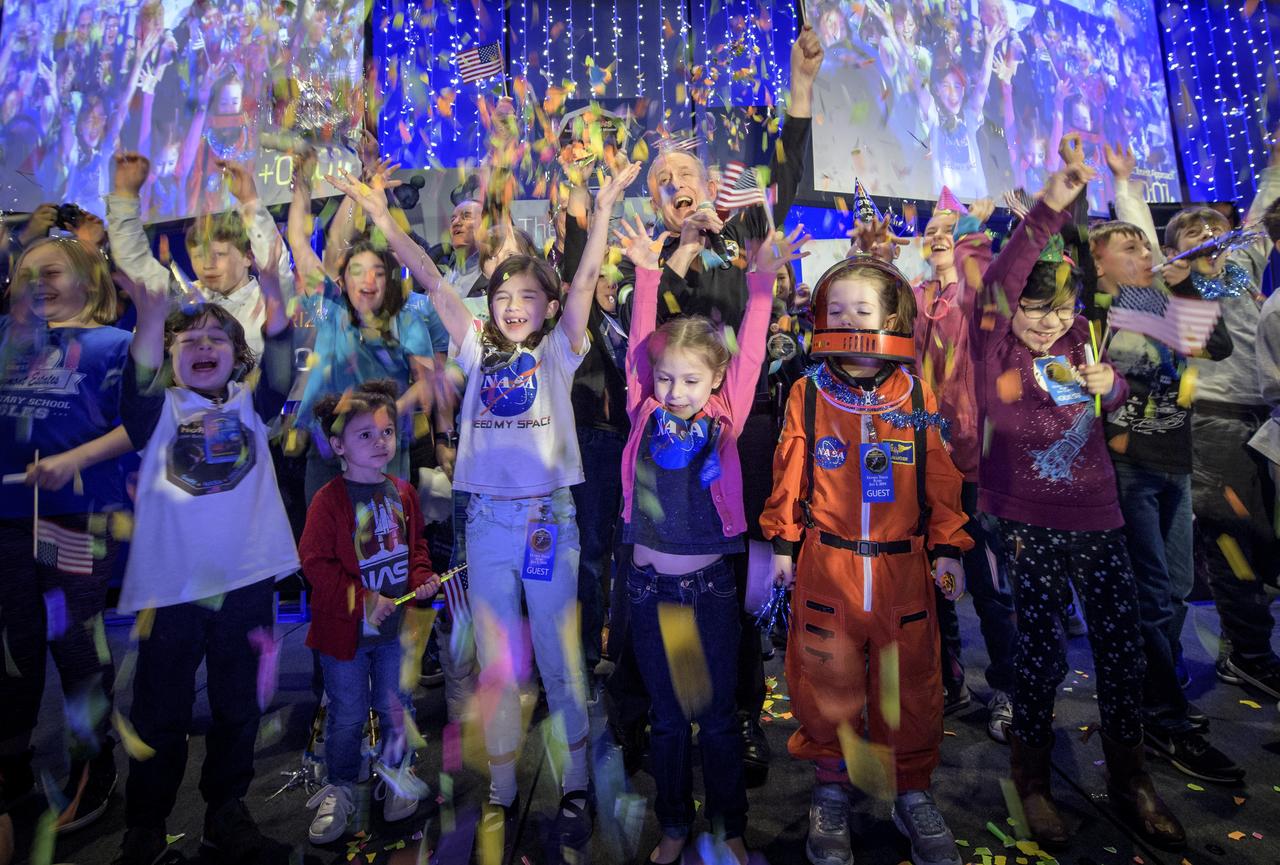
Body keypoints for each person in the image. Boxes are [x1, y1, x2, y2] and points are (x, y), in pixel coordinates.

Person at [323, 158, 639, 859]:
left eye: (529, 294)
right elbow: (432, 278)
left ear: (550, 305)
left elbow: (585, 277)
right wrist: (379, 214)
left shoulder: (561, 349)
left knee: (560, 662)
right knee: (499, 664)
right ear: (490, 304)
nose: (515, 304)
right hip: (489, 524)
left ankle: (577, 786)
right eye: (504, 294)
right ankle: (499, 788)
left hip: (548, 522)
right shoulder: (474, 344)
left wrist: (608, 201)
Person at [970, 154, 1183, 851]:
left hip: (1098, 518)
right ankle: (1032, 782)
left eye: (1055, 307)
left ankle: (1132, 778)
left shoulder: (1087, 335)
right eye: (1032, 308)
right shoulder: (996, 341)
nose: (1042, 321)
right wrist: (1049, 207)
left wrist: (1111, 384)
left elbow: (1119, 392)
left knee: (1123, 654)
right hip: (1025, 520)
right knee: (1038, 655)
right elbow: (1006, 280)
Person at [761, 252, 971, 865]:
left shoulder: (919, 395)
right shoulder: (806, 394)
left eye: (863, 309)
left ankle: (911, 791)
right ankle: (830, 788)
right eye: (837, 309)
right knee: (826, 680)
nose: (849, 319)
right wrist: (781, 547)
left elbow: (940, 474)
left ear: (892, 316)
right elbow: (788, 475)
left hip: (903, 568)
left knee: (911, 683)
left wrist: (950, 546)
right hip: (828, 565)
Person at [616, 216, 806, 864]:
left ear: (716, 382)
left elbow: (751, 349)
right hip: (652, 592)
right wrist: (647, 271)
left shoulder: (727, 413)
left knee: (719, 717)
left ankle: (728, 823)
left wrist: (763, 281)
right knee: (667, 719)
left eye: (690, 380)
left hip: (707, 590)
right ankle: (673, 823)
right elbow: (643, 345)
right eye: (667, 378)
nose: (675, 390)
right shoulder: (644, 405)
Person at [111, 240, 299, 865]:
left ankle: (225, 814)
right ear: (168, 357)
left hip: (244, 585)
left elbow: (277, 360)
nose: (204, 348)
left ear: (235, 357)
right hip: (171, 592)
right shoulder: (156, 412)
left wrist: (272, 287)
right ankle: (145, 828)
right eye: (188, 341)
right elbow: (136, 380)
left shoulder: (252, 404)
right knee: (159, 713)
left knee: (237, 706)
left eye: (218, 340)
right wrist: (148, 313)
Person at [1089, 143, 1242, 784]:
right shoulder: (1097, 312)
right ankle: (1163, 715)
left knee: (1176, 590)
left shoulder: (1158, 302)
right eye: (1133, 251)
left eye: (1147, 249)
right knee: (1151, 593)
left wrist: (1195, 284)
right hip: (1126, 469)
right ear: (1099, 266)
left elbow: (1220, 344)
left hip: (1174, 462)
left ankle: (1152, 689)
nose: (1148, 256)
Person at [1113, 136, 1280, 701]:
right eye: (1193, 236)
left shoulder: (1235, 273)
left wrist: (1276, 167)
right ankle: (1236, 655)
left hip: (1256, 421)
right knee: (1222, 541)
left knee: (1248, 544)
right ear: (1171, 250)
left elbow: (1255, 226)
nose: (1208, 241)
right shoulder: (1168, 285)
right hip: (1204, 421)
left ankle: (1228, 650)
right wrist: (1125, 186)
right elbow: (1142, 243)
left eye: (1216, 233)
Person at [0, 237, 134, 833]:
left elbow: (141, 424)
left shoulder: (114, 345)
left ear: (88, 278)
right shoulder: (9, 339)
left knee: (74, 642)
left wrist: (75, 459)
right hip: (7, 519)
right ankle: (11, 767)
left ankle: (91, 765)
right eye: (24, 274)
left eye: (50, 271)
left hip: (73, 520)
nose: (36, 284)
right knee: (12, 647)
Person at [299, 381, 441, 843]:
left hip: (394, 634)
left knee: (395, 705)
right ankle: (340, 786)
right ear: (337, 445)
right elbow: (315, 566)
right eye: (365, 435)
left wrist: (423, 578)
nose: (380, 442)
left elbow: (415, 547)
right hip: (344, 639)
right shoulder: (328, 502)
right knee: (347, 713)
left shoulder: (403, 493)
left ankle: (397, 772)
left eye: (385, 432)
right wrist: (363, 600)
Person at [911, 195, 1020, 742]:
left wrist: (973, 228)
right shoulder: (916, 297)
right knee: (935, 581)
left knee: (988, 584)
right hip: (927, 461)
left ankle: (1006, 688)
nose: (937, 237)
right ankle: (948, 678)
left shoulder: (977, 295)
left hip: (978, 463)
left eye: (948, 230)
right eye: (930, 229)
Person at [286, 148, 435, 498]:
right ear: (343, 279)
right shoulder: (330, 306)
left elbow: (426, 383)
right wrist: (302, 186)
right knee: (326, 542)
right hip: (326, 447)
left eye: (377, 273)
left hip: (382, 453)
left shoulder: (407, 318)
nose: (368, 281)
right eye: (357, 272)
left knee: (384, 542)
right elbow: (298, 243)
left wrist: (381, 419)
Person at [108, 152, 295, 357]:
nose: (208, 265)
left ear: (247, 257)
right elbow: (136, 263)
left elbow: (276, 264)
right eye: (198, 256)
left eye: (219, 254)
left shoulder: (270, 299)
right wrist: (125, 200)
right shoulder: (186, 300)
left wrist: (250, 203)